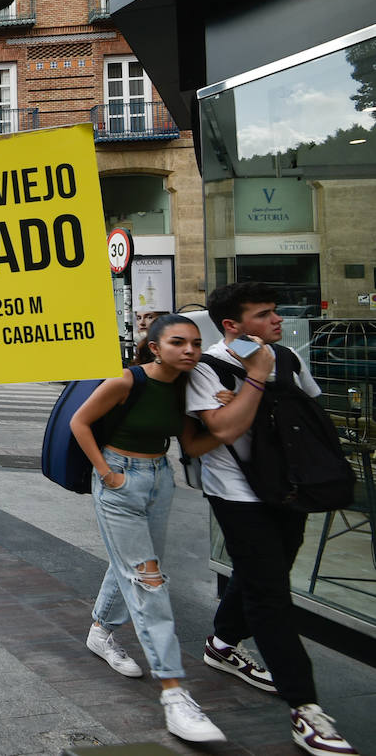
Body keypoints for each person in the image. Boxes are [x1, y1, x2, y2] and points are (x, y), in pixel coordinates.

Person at [186, 281, 359, 756]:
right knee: (271, 596)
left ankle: (221, 643)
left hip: (286, 488)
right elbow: (221, 428)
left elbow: (309, 407)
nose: (277, 320)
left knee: (267, 570)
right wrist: (255, 378)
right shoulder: (207, 369)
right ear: (231, 326)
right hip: (237, 493)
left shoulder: (287, 358)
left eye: (275, 312)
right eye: (263, 314)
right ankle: (305, 709)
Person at [70, 313, 228, 743]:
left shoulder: (184, 389)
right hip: (119, 480)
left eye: (195, 343)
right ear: (155, 347)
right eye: (179, 342)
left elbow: (192, 445)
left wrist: (233, 419)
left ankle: (101, 631)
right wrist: (107, 474)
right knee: (149, 580)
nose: (190, 350)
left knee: (136, 567)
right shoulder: (127, 381)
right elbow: (79, 423)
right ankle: (174, 694)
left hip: (160, 480)